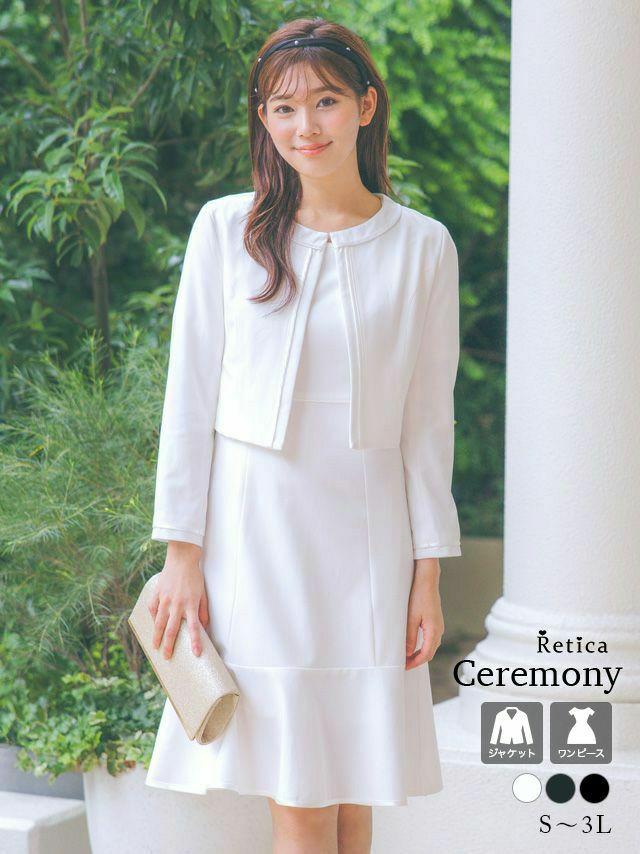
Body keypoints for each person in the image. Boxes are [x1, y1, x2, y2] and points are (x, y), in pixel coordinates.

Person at [144, 16, 462, 854]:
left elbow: (428, 424)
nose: (304, 127)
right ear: (263, 118)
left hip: (369, 545)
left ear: (366, 106)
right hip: (256, 542)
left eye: (325, 102)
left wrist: (428, 573)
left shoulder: (424, 247)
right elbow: (189, 399)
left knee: (353, 794)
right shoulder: (225, 231)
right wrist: (182, 552)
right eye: (282, 108)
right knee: (301, 798)